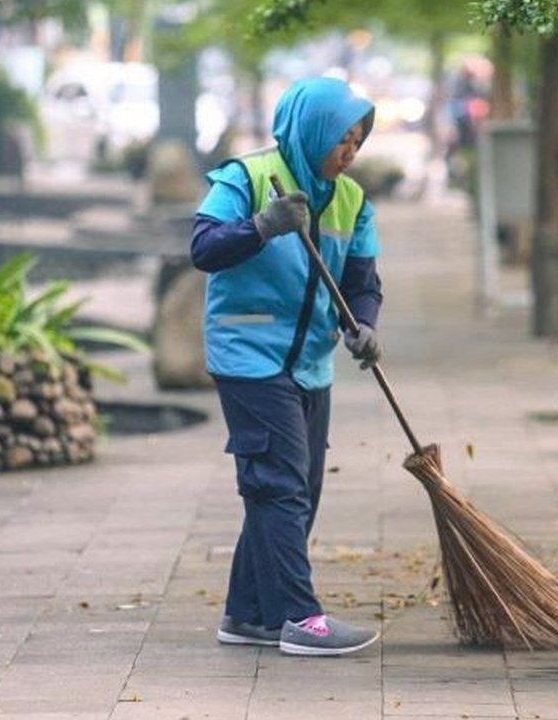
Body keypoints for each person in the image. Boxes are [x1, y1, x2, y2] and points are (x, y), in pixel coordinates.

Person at [190, 77, 383, 656]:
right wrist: (262, 225)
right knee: (279, 485)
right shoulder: (245, 178)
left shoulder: (351, 200)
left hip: (310, 361)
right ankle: (301, 618)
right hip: (248, 353)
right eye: (340, 139)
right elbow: (202, 248)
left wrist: (364, 324)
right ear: (312, 130)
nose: (348, 151)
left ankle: (247, 615)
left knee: (298, 487)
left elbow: (362, 283)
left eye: (357, 140)